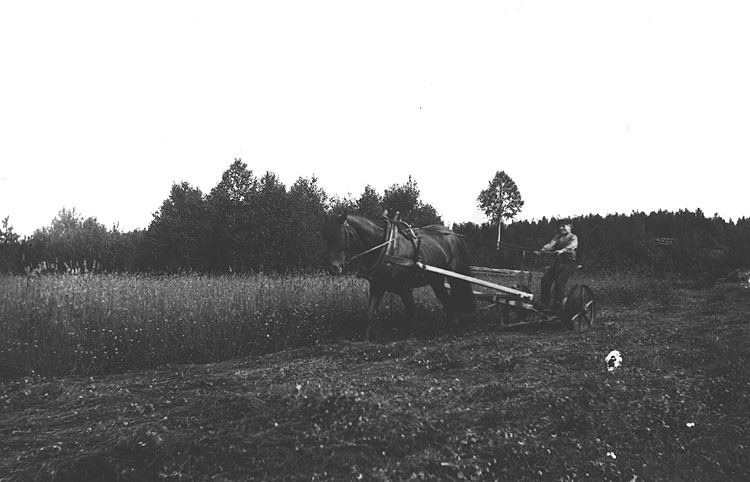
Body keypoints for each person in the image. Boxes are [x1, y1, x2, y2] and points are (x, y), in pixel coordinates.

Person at [536, 218, 578, 309]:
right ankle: (545, 303)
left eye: (563, 226)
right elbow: (551, 244)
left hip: (569, 263)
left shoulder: (573, 237)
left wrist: (562, 250)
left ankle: (558, 305)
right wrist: (542, 250)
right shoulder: (557, 237)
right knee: (545, 279)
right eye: (560, 226)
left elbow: (571, 246)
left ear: (569, 227)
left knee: (560, 281)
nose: (561, 228)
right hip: (558, 263)